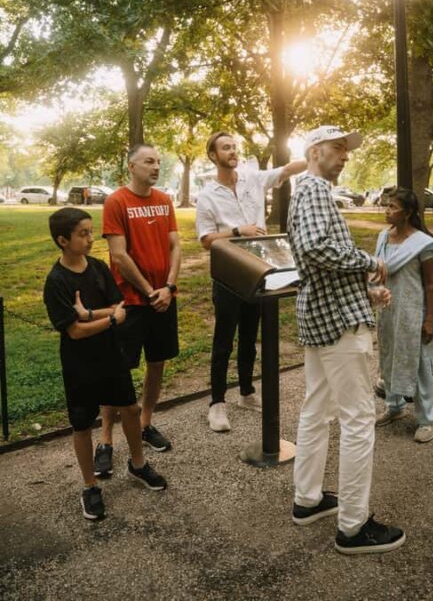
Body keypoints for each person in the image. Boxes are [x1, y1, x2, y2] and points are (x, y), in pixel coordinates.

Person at [287, 125, 405, 556]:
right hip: (337, 324)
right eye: (339, 148)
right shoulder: (315, 188)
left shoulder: (306, 190)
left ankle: (308, 499)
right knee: (358, 420)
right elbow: (318, 248)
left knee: (316, 409)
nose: (346, 156)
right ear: (315, 151)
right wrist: (368, 262)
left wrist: (364, 289)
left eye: (346, 150)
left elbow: (315, 261)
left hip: (321, 315)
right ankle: (353, 527)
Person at [43, 208, 167, 521]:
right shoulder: (56, 281)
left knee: (130, 410)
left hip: (111, 356)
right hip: (79, 364)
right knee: (82, 424)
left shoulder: (98, 267)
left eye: (90, 231)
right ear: (62, 240)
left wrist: (88, 314)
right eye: (82, 233)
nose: (90, 238)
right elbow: (74, 331)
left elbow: (116, 305)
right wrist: (107, 319)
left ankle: (137, 465)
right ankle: (89, 486)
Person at [196, 131, 307, 432]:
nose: (232, 151)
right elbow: (206, 239)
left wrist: (315, 158)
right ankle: (217, 404)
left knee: (250, 337)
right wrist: (237, 231)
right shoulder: (207, 196)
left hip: (260, 269)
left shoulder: (252, 178)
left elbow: (286, 170)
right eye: (225, 147)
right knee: (224, 341)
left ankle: (247, 392)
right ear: (213, 155)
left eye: (234, 146)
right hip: (228, 274)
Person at [95, 144, 180, 476]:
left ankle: (145, 424)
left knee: (156, 363)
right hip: (131, 302)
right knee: (118, 370)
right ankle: (105, 440)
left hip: (164, 299)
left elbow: (175, 245)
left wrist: (169, 287)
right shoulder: (117, 201)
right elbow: (118, 255)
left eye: (158, 161)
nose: (156, 166)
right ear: (132, 166)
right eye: (149, 161)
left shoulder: (164, 200)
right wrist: (149, 291)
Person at [374, 187, 433, 443]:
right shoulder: (384, 237)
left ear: (407, 213)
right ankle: (394, 407)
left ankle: (428, 418)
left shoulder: (422, 244)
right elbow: (377, 271)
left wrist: (429, 319)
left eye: (392, 207)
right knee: (389, 357)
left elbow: (431, 284)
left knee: (419, 365)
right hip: (388, 309)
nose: (386, 211)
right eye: (386, 205)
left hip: (413, 312)